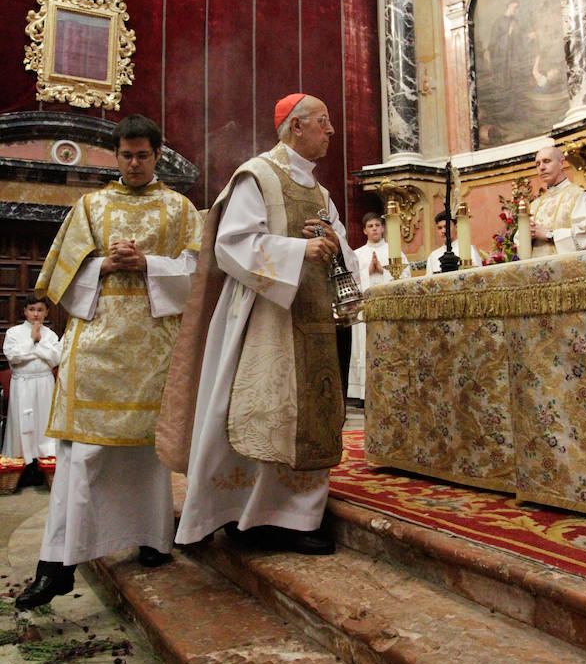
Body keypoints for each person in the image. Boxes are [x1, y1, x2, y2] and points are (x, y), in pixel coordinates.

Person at [156, 93, 358, 556]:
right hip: (261, 315)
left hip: (310, 316)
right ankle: (237, 513)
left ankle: (295, 516)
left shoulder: (322, 194)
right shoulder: (257, 175)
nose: (331, 131)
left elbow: (342, 250)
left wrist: (331, 245)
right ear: (294, 126)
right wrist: (297, 251)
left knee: (308, 412)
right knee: (259, 411)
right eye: (323, 122)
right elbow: (232, 243)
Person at [15, 115, 203, 611]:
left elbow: (202, 272)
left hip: (152, 349)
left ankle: (152, 538)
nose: (135, 163)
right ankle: (58, 565)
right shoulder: (91, 206)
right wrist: (104, 264)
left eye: (143, 155)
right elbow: (62, 271)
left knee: (147, 453)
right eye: (126, 155)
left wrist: (150, 264)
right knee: (84, 459)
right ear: (115, 156)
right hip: (96, 346)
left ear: (157, 154)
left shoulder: (180, 208)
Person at [347, 212, 410, 403]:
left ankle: (389, 388)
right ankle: (362, 393)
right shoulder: (357, 254)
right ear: (365, 230)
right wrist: (368, 272)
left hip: (387, 309)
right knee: (362, 348)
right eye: (370, 226)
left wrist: (382, 272)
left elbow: (406, 279)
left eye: (377, 225)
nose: (374, 229)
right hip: (365, 310)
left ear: (383, 228)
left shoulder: (395, 252)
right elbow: (350, 284)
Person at [2, 295, 61, 474]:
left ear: (46, 312)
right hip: (23, 383)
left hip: (44, 382)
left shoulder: (50, 335)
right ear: (25, 311)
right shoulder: (14, 333)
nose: (36, 314)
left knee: (44, 422)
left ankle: (45, 464)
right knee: (22, 422)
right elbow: (14, 356)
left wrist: (37, 342)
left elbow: (56, 358)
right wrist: (32, 342)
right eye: (32, 310)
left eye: (40, 310)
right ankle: (21, 466)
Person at [528, 145, 586, 256]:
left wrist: (550, 235)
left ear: (562, 163)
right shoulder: (534, 205)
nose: (541, 167)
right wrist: (526, 236)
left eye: (546, 161)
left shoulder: (578, 196)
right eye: (537, 164)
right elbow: (520, 244)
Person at [425, 211, 483, 276]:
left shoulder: (468, 250)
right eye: (440, 228)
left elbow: (479, 275)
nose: (443, 231)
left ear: (456, 227)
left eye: (446, 227)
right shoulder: (433, 256)